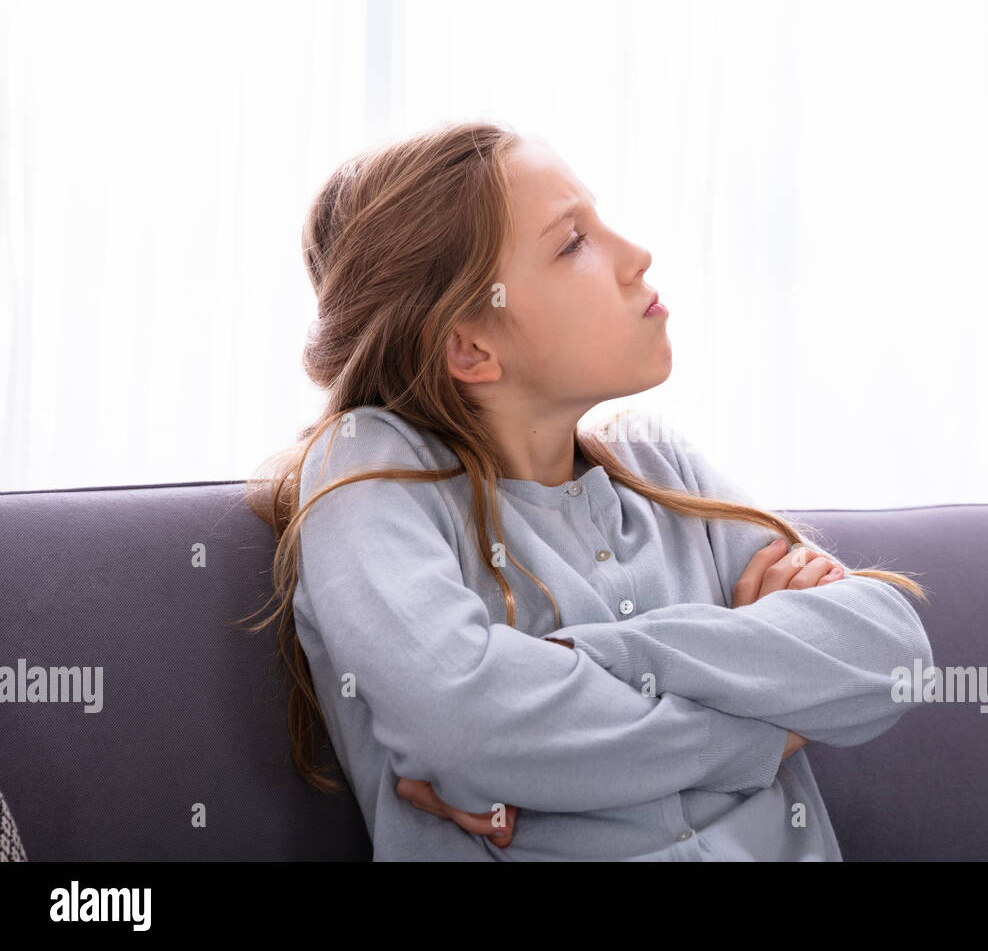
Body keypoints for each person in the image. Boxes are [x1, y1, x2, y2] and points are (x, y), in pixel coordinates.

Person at [243, 119, 933, 860]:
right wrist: (774, 718)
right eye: (572, 243)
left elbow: (894, 655)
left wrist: (566, 666)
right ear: (470, 345)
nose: (637, 257)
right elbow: (469, 726)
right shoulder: (369, 472)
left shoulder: (661, 465)